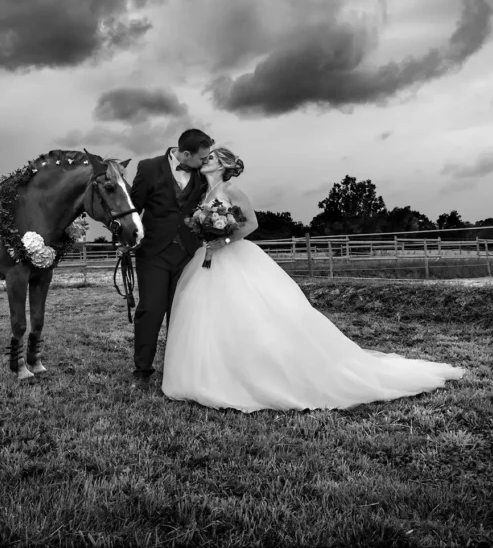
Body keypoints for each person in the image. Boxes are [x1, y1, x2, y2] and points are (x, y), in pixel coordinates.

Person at [161, 147, 466, 412]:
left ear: (224, 165)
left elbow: (251, 223)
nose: (206, 159)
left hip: (233, 256)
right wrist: (206, 234)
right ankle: (214, 374)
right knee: (211, 316)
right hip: (209, 258)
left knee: (253, 313)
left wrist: (224, 241)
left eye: (211, 157)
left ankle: (259, 373)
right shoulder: (206, 193)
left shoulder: (231, 191)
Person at [127, 129, 213, 383]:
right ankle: (142, 370)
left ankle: (178, 371)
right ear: (186, 154)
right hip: (153, 253)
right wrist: (123, 239)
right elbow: (134, 207)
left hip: (188, 254)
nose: (205, 162)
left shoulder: (204, 174)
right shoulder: (148, 167)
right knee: (151, 310)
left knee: (182, 314)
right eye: (201, 158)